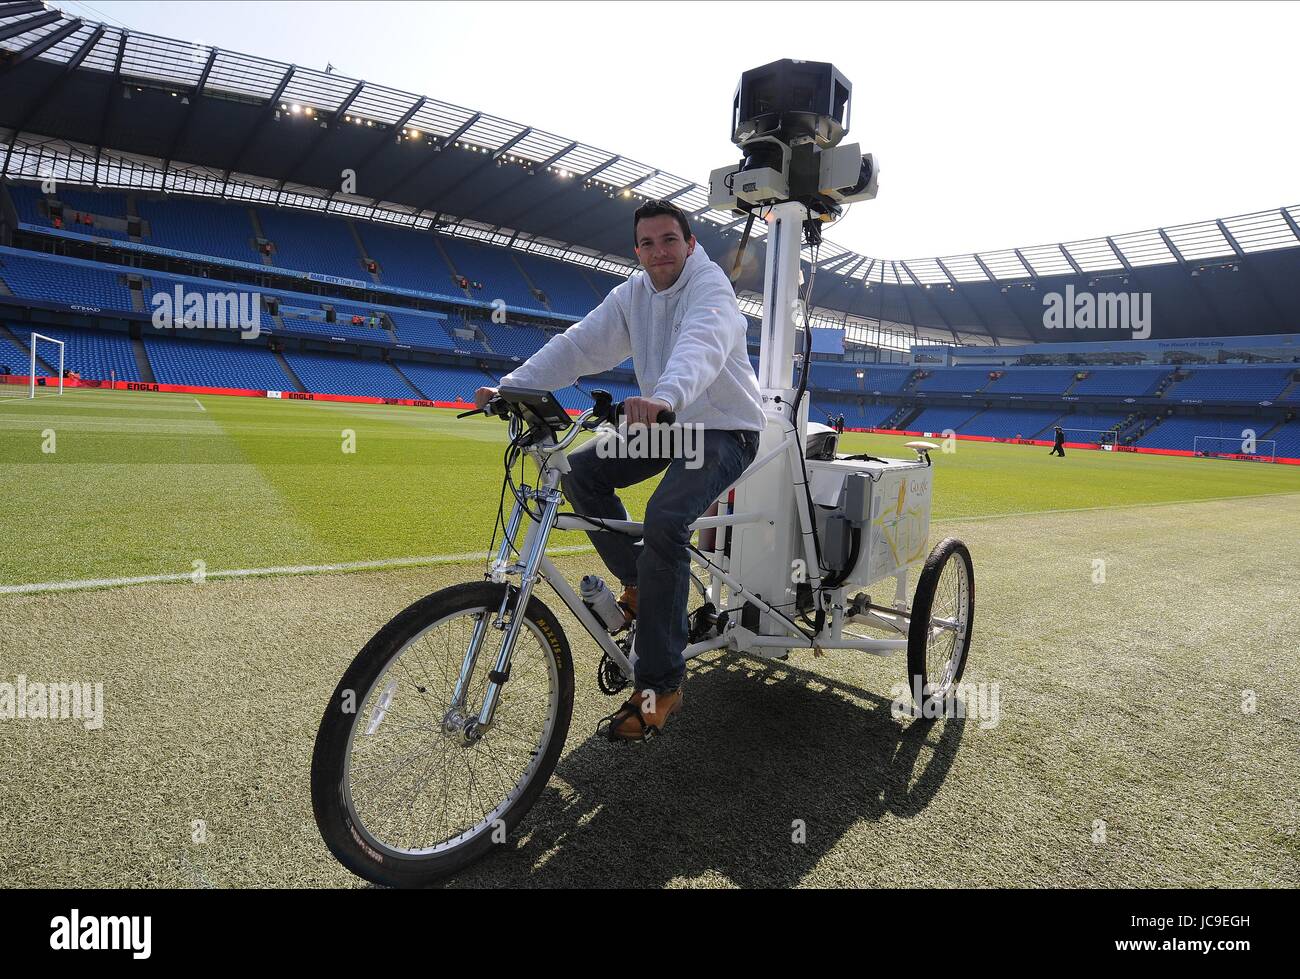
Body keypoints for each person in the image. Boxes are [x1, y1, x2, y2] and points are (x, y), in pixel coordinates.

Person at [474, 199, 763, 740]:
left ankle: (661, 684)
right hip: (669, 421)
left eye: (669, 240)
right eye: (648, 243)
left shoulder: (710, 286)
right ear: (637, 250)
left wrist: (666, 396)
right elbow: (579, 345)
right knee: (580, 473)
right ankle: (638, 586)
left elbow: (701, 342)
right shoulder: (632, 294)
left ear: (690, 243)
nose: (659, 252)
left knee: (665, 519)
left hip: (724, 427)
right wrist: (512, 387)